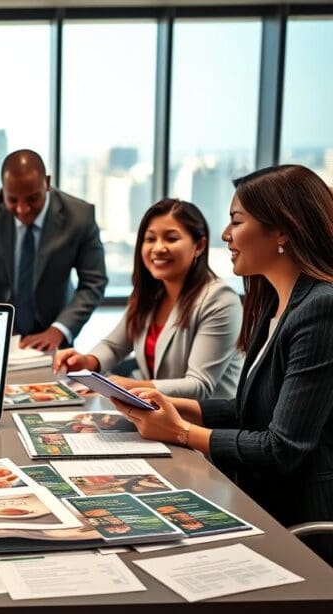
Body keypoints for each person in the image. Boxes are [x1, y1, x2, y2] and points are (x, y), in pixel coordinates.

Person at [111, 165, 333, 564]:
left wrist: (181, 432)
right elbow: (252, 406)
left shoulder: (321, 309)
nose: (227, 235)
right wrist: (169, 405)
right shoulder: (272, 301)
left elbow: (282, 447)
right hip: (254, 497)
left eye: (236, 221)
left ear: (282, 230)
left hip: (297, 522)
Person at [53, 198, 243, 400]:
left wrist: (127, 385)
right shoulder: (151, 294)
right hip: (162, 417)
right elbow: (114, 346)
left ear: (199, 246)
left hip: (207, 425)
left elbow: (199, 385)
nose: (158, 248)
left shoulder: (220, 300)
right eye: (150, 239)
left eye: (171, 238)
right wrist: (86, 361)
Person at [0, 149, 107, 351]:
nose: (22, 209)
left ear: (47, 183)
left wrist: (59, 329)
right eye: (13, 200)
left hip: (52, 334)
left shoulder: (80, 216)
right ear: (3, 189)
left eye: (33, 199)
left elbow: (94, 281)